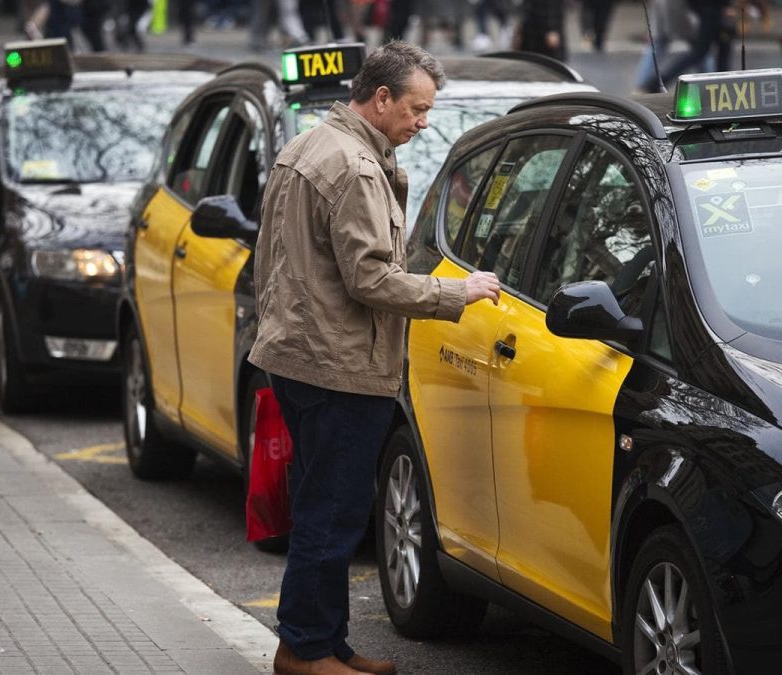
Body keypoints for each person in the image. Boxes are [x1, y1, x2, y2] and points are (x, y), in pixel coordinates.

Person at [249, 41, 501, 675]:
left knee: (322, 507)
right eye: (417, 109)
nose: (423, 122)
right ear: (380, 98)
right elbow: (372, 281)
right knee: (330, 517)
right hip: (337, 366)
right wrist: (456, 292)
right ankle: (305, 651)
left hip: (301, 356)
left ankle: (322, 643)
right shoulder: (355, 168)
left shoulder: (311, 145)